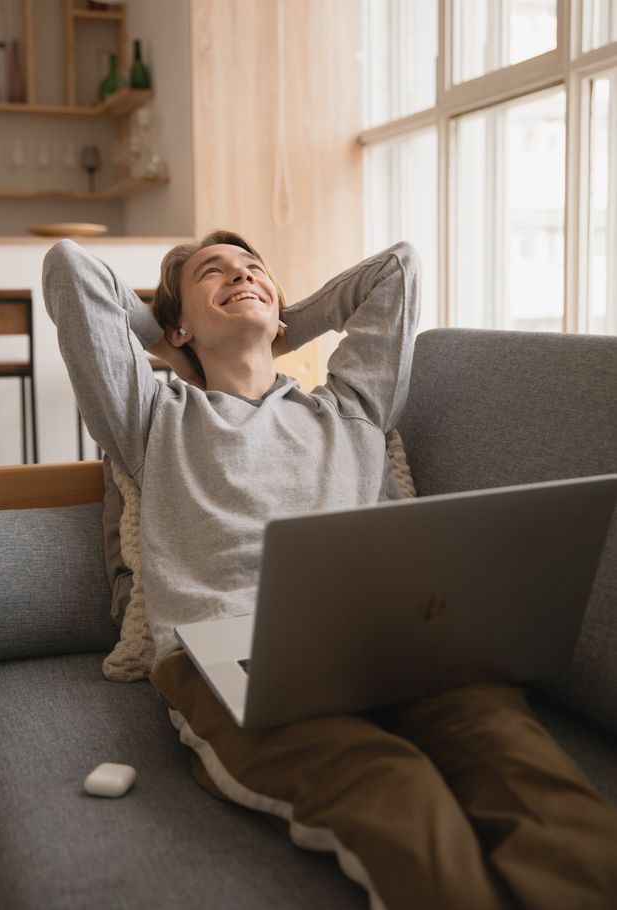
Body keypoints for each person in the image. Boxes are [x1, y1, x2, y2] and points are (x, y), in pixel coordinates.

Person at [43, 230, 617, 910]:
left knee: (529, 778)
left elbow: (398, 267)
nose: (241, 274)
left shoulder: (349, 408)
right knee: (390, 788)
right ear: (176, 326)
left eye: (254, 269)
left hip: (400, 644)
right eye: (213, 272)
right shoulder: (152, 416)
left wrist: (272, 319)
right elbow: (70, 268)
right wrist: (172, 342)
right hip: (237, 653)